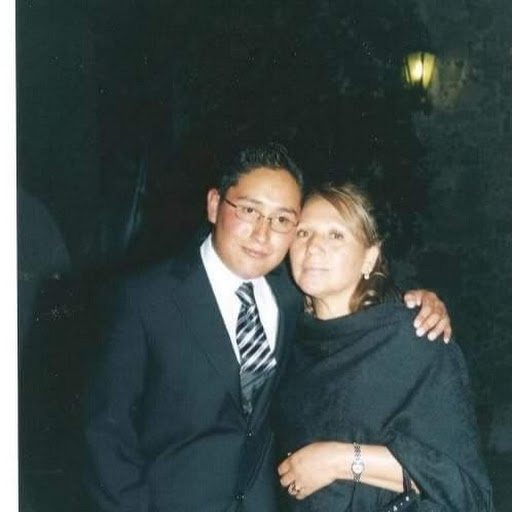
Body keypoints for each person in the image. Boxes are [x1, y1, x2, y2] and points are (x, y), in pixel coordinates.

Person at [84, 144, 451, 512]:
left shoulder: (292, 294)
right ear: (214, 205)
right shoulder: (145, 298)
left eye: (282, 219)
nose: (262, 234)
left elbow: (351, 293)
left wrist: (418, 300)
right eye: (249, 210)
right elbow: (106, 436)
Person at [276, 183, 493, 511]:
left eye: (336, 235)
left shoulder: (414, 338)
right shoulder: (285, 339)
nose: (314, 247)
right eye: (303, 233)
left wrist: (340, 460)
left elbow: (466, 489)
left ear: (370, 257)